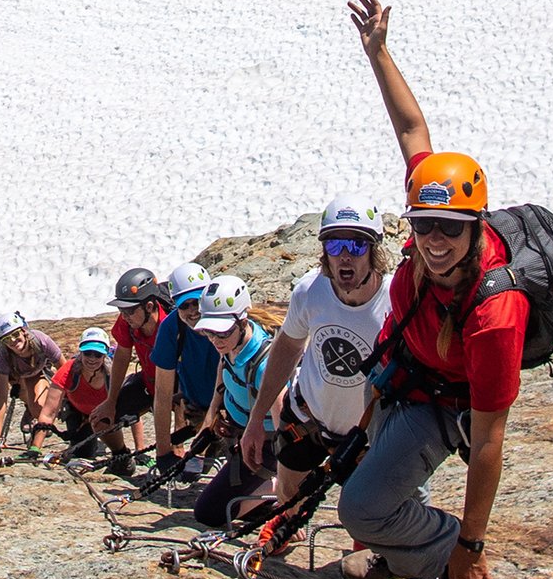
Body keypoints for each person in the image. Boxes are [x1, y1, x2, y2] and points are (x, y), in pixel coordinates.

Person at [338, 0, 528, 579]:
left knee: (361, 506)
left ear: (476, 227)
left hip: (441, 401)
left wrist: (469, 544)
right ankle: (399, 548)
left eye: (450, 228)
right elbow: (412, 129)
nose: (434, 241)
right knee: (373, 491)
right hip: (407, 376)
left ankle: (447, 560)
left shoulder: (493, 313)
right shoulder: (436, 215)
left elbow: (490, 435)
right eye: (424, 227)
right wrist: (378, 52)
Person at [240, 197, 393, 551]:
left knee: (364, 517)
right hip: (307, 417)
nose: (345, 255)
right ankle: (287, 533)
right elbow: (287, 348)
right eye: (335, 244)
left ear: (373, 250)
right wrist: (257, 418)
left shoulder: (393, 301)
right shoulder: (311, 290)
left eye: (356, 244)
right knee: (289, 490)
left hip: (365, 433)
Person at [190, 275, 284, 528]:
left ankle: (278, 488)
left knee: (210, 513)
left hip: (265, 449)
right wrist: (214, 413)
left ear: (242, 321)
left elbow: (283, 428)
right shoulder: (231, 344)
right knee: (214, 509)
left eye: (222, 332)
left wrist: (291, 493)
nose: (215, 340)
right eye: (209, 332)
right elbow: (225, 372)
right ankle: (265, 498)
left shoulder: (265, 365)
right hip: (241, 438)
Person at [91, 267, 167, 472]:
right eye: (121, 310)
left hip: (177, 387)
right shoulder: (128, 322)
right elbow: (122, 356)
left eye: (129, 310)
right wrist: (111, 401)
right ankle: (122, 457)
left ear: (149, 306)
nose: (124, 316)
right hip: (149, 383)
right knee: (101, 420)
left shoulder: (170, 324)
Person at [149, 262, 222, 476]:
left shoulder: (225, 324)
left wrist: (199, 448)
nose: (193, 311)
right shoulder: (171, 329)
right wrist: (163, 453)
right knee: (194, 471)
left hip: (231, 409)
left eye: (197, 302)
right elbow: (162, 394)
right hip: (198, 408)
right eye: (185, 305)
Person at [30, 327, 120, 462]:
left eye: (98, 354)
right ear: (81, 353)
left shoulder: (113, 374)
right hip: (77, 412)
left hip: (104, 415)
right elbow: (48, 413)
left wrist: (139, 448)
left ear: (105, 355)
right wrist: (35, 449)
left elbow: (130, 412)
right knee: (83, 453)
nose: (92, 358)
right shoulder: (68, 371)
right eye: (88, 353)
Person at [0, 312, 66, 446]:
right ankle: (29, 407)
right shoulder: (4, 354)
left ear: (24, 331)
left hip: (37, 372)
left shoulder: (42, 341)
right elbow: (1, 395)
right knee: (29, 399)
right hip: (18, 377)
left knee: (40, 409)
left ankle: (31, 410)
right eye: (6, 339)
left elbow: (65, 370)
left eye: (15, 334)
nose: (13, 341)